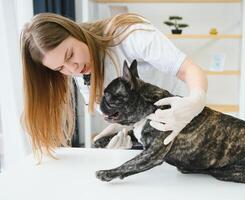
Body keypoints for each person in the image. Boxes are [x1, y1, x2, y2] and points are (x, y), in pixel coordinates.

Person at [21, 13, 208, 158]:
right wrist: (119, 135)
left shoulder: (130, 35)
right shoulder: (79, 72)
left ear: (74, 32)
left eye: (69, 55)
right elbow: (116, 115)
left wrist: (195, 101)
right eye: (61, 67)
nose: (74, 69)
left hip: (184, 123)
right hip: (149, 135)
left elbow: (188, 69)